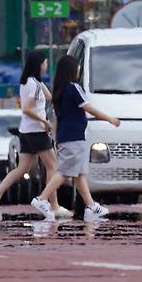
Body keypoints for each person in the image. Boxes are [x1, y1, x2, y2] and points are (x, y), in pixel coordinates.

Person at [0, 51, 71, 221]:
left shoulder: (29, 83)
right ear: (39, 64)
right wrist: (44, 122)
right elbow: (28, 109)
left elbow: (49, 97)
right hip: (36, 131)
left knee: (22, 168)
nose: (46, 66)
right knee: (53, 166)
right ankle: (53, 205)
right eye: (44, 63)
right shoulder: (33, 84)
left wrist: (42, 83)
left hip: (26, 131)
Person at [30, 56, 120, 222]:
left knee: (79, 173)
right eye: (77, 67)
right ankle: (41, 199)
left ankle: (91, 207)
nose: (79, 70)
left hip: (67, 138)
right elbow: (89, 108)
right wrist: (109, 119)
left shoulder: (60, 90)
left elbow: (56, 119)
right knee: (64, 172)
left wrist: (56, 139)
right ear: (71, 70)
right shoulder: (73, 88)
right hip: (74, 138)